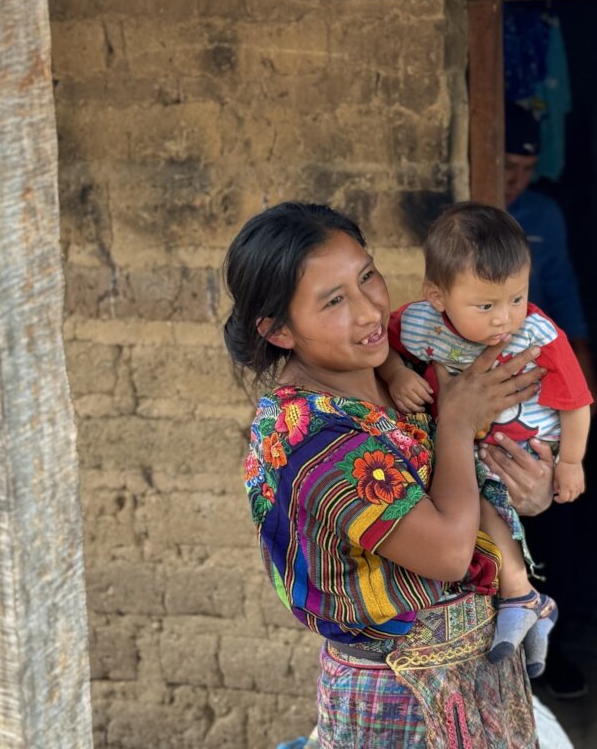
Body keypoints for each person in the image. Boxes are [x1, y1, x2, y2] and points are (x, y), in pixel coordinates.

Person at [223, 202, 560, 747]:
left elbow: (471, 484)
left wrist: (531, 488)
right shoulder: (311, 439)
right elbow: (449, 552)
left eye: (367, 277)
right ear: (280, 330)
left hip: (478, 673)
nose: (369, 311)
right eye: (334, 301)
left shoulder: (401, 367)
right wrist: (455, 421)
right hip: (398, 700)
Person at [378, 202, 592, 676]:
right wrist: (395, 376)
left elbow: (576, 402)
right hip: (470, 455)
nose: (505, 320)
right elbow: (386, 349)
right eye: (486, 306)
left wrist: (571, 464)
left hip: (532, 450)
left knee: (510, 513)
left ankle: (525, 600)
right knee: (475, 502)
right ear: (437, 295)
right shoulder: (419, 324)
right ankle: (522, 599)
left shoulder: (536, 335)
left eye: (517, 298)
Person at [505, 101, 597, 700]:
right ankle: (504, 665)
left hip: (539, 398)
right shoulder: (470, 221)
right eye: (506, 165)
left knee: (553, 516)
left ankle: (550, 654)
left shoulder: (541, 213)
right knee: (495, 522)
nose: (515, 179)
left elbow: (561, 287)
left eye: (525, 167)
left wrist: (586, 372)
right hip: (482, 394)